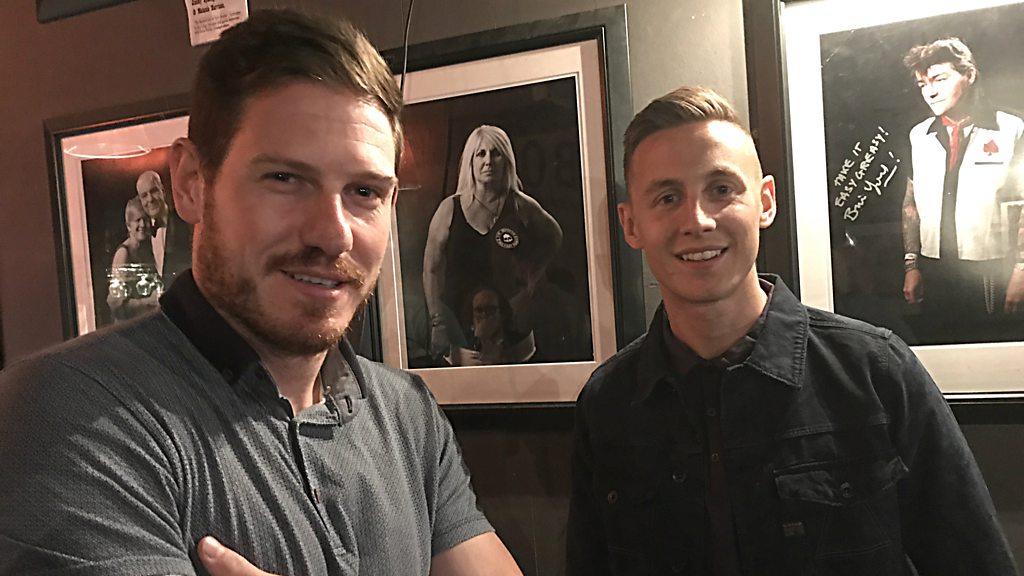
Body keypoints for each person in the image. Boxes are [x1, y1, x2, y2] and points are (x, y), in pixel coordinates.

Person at [0, 9, 521, 576]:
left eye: (365, 191)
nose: (334, 234)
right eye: (284, 178)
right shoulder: (68, 409)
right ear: (191, 184)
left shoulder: (406, 413)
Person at [566, 86, 1017, 574]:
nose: (697, 220)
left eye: (721, 189)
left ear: (765, 202)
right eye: (668, 197)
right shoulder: (608, 403)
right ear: (631, 224)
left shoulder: (875, 373)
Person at [901, 38, 1024, 342]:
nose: (930, 92)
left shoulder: (1011, 129)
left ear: (968, 74)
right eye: (922, 84)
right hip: (936, 271)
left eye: (940, 79)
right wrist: (912, 265)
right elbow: (911, 202)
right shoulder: (919, 135)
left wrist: (1021, 270)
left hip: (991, 270)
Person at [422, 125, 562, 362]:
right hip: (462, 340)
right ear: (471, 162)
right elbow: (431, 268)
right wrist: (438, 322)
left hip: (514, 339)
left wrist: (533, 280)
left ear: (506, 160)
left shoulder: (521, 206)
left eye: (496, 153)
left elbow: (554, 237)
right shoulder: (449, 209)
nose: (488, 161)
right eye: (481, 154)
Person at [448, 285, 535, 366]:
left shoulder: (520, 344)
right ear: (471, 315)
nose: (484, 315)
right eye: (479, 310)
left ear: (502, 313)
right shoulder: (462, 345)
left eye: (490, 309)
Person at [107, 196, 161, 322]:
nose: (142, 225)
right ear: (128, 225)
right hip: (127, 326)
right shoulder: (123, 253)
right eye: (137, 220)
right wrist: (149, 302)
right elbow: (116, 304)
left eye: (145, 220)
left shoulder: (146, 250)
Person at [136, 169, 193, 285]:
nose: (150, 199)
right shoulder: (141, 231)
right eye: (144, 195)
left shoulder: (185, 222)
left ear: (163, 191)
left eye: (154, 191)